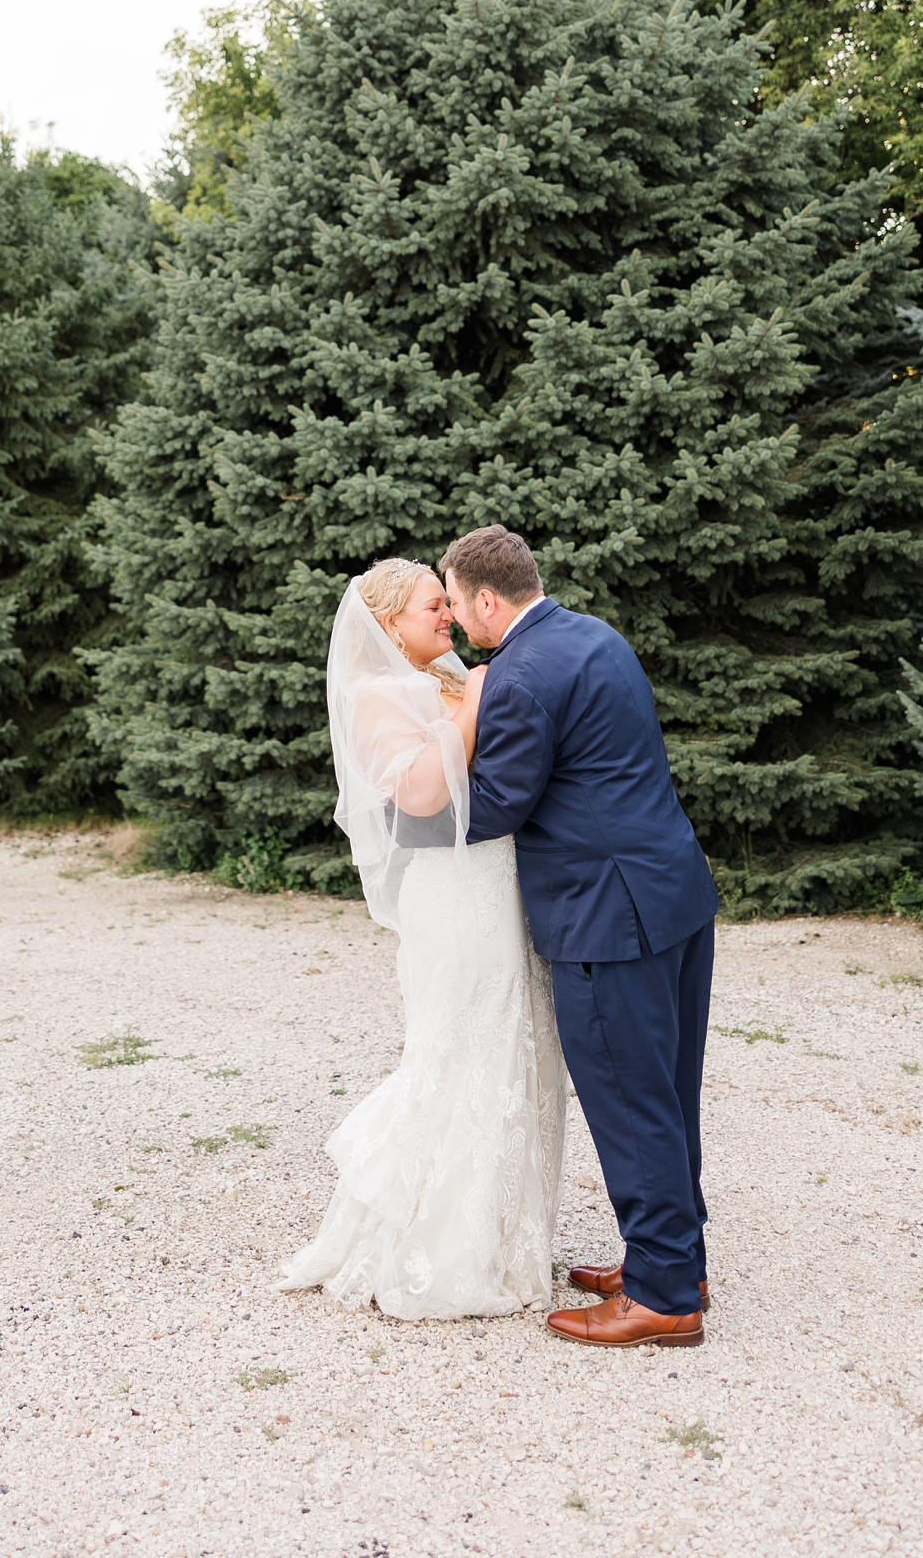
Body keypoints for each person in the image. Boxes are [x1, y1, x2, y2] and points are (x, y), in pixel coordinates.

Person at [442, 524, 719, 1349]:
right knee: (667, 1094)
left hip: (608, 917)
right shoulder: (594, 636)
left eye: (455, 604)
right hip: (672, 894)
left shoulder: (520, 674)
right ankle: (673, 1260)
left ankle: (665, 1295)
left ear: (488, 599)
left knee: (632, 1103)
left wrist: (405, 807)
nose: (454, 622)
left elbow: (495, 804)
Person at [278, 557, 566, 1320]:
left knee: (512, 1047)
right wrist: (471, 704)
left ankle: (502, 1238)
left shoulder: (448, 676)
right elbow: (417, 793)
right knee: (458, 1050)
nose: (449, 614)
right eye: (434, 605)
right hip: (452, 891)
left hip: (497, 879)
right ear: (390, 623)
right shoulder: (380, 695)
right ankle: (437, 1252)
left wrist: (467, 691)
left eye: (447, 604)